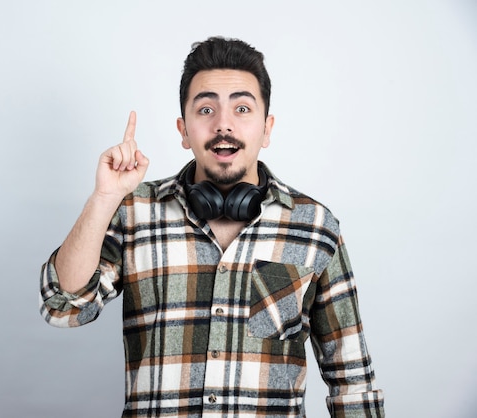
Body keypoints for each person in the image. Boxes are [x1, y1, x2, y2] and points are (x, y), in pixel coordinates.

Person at [39, 36, 385, 417]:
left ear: (267, 128)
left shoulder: (315, 226)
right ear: (183, 130)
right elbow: (63, 306)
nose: (224, 125)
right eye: (205, 110)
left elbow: (352, 381)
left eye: (241, 108)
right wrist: (104, 198)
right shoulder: (134, 212)